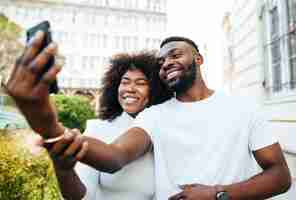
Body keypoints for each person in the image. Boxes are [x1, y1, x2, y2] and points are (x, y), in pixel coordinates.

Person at [6, 32, 291, 200]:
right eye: (162, 62)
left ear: (199, 59)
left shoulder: (244, 107)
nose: (167, 63)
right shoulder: (154, 116)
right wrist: (49, 126)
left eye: (175, 55)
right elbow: (114, 156)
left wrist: (218, 194)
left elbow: (280, 176)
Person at [75, 51, 172, 200]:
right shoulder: (97, 129)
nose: (130, 89)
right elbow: (83, 195)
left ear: (156, 91)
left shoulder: (164, 132)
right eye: (125, 82)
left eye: (141, 83)